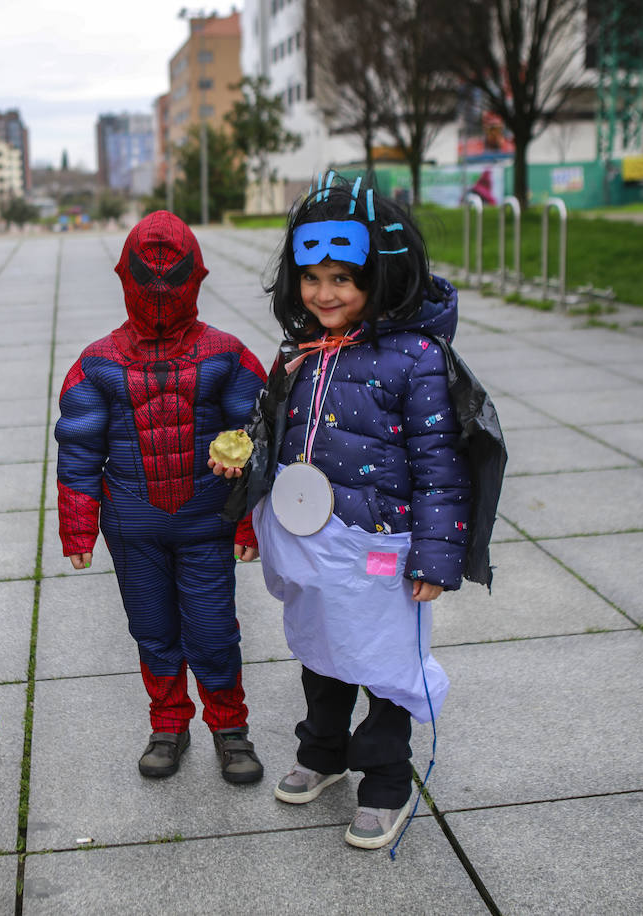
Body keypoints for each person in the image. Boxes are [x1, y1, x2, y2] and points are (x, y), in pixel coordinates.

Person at [215, 175, 471, 849]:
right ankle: (323, 750)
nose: (324, 294)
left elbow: (441, 465)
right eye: (311, 277)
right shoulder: (300, 352)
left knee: (384, 662)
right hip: (312, 541)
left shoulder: (416, 360)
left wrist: (436, 559)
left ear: (382, 277)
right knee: (321, 647)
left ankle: (386, 778)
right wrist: (243, 473)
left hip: (384, 544)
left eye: (342, 279)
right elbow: (272, 432)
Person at [55, 210, 267, 785]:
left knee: (214, 630)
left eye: (171, 281)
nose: (158, 295)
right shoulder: (98, 362)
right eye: (146, 282)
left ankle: (230, 728)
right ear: (125, 279)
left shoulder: (227, 355)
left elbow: (256, 438)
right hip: (133, 527)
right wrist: (77, 530)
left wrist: (247, 524)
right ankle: (168, 723)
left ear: (194, 278)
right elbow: (77, 449)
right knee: (152, 630)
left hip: (205, 523)